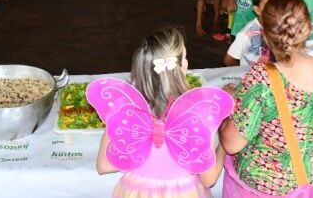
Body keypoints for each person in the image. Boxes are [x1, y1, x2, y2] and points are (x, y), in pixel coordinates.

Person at [219, 0, 313, 196]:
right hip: (311, 185)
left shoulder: (263, 80)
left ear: (265, 34)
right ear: (308, 26)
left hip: (262, 188)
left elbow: (231, 143)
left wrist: (228, 106)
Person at [90, 27, 232, 197]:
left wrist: (140, 159)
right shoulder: (197, 113)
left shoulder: (123, 107)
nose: (187, 62)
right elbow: (209, 180)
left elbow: (103, 166)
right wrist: (223, 145)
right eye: (185, 58)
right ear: (179, 67)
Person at [224, 0, 279, 66]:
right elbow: (228, 60)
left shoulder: (281, 25)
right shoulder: (246, 34)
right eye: (269, 6)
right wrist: (244, 75)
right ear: (257, 10)